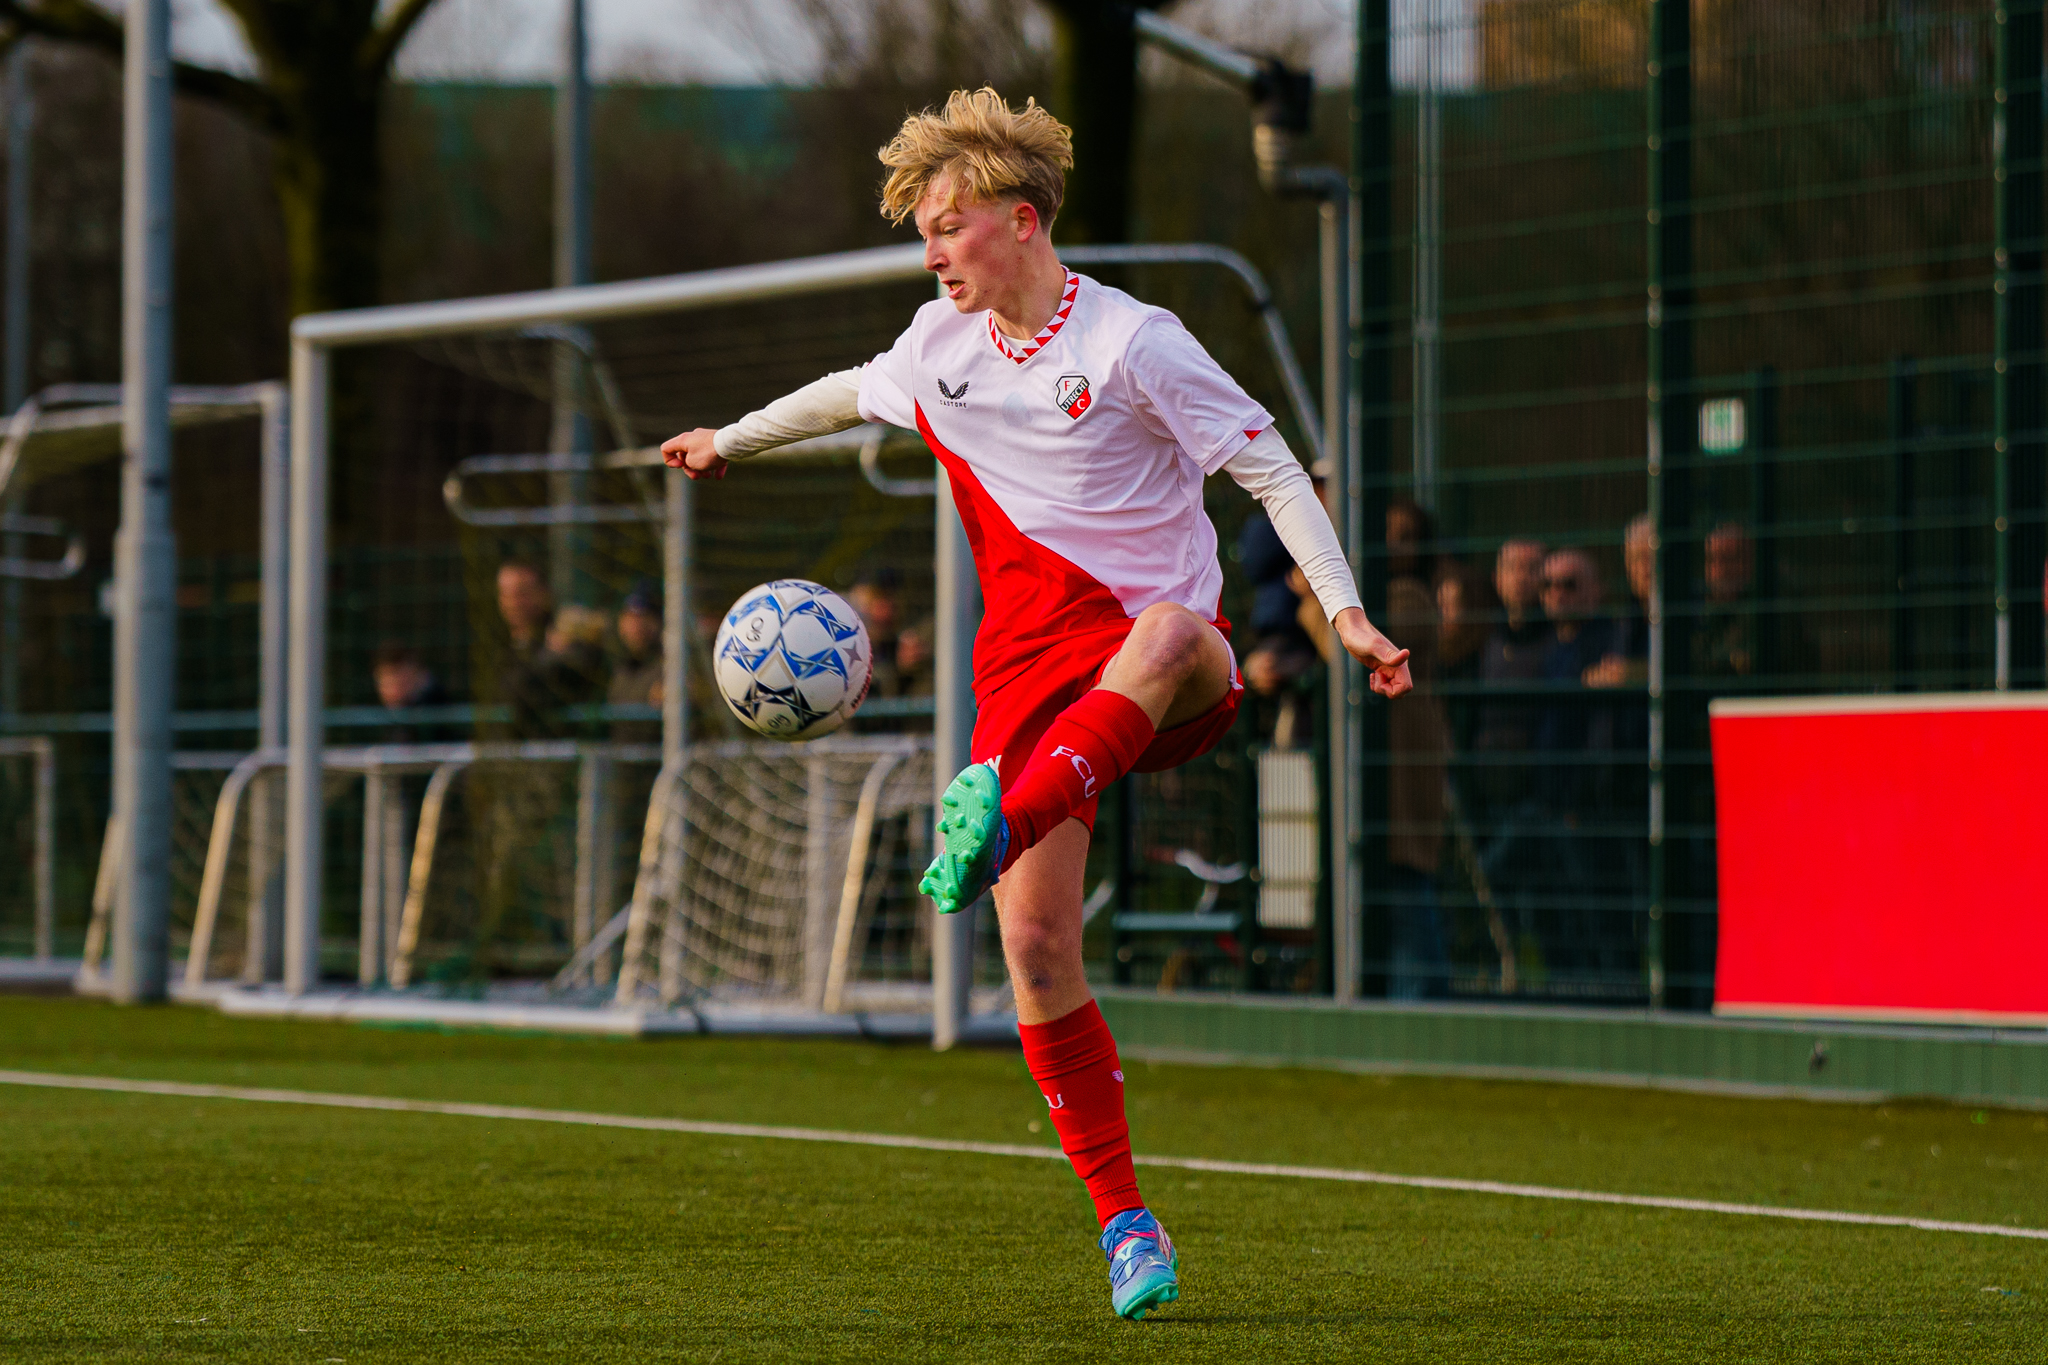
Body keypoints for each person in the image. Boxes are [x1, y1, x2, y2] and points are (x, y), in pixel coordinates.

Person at [659, 88, 1411, 1321]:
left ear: (1021, 220)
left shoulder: (1130, 341)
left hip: (1164, 667)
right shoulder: (936, 347)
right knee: (1032, 948)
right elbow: (851, 391)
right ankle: (1126, 1224)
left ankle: (1001, 823)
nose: (933, 252)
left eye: (948, 227)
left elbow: (1267, 466)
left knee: (1168, 629)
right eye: (922, 235)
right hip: (1023, 683)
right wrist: (730, 441)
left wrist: (1340, 616)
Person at [608, 582, 664, 746]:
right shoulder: (613, 663)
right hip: (620, 761)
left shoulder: (671, 665)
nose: (637, 626)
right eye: (631, 617)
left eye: (644, 617)